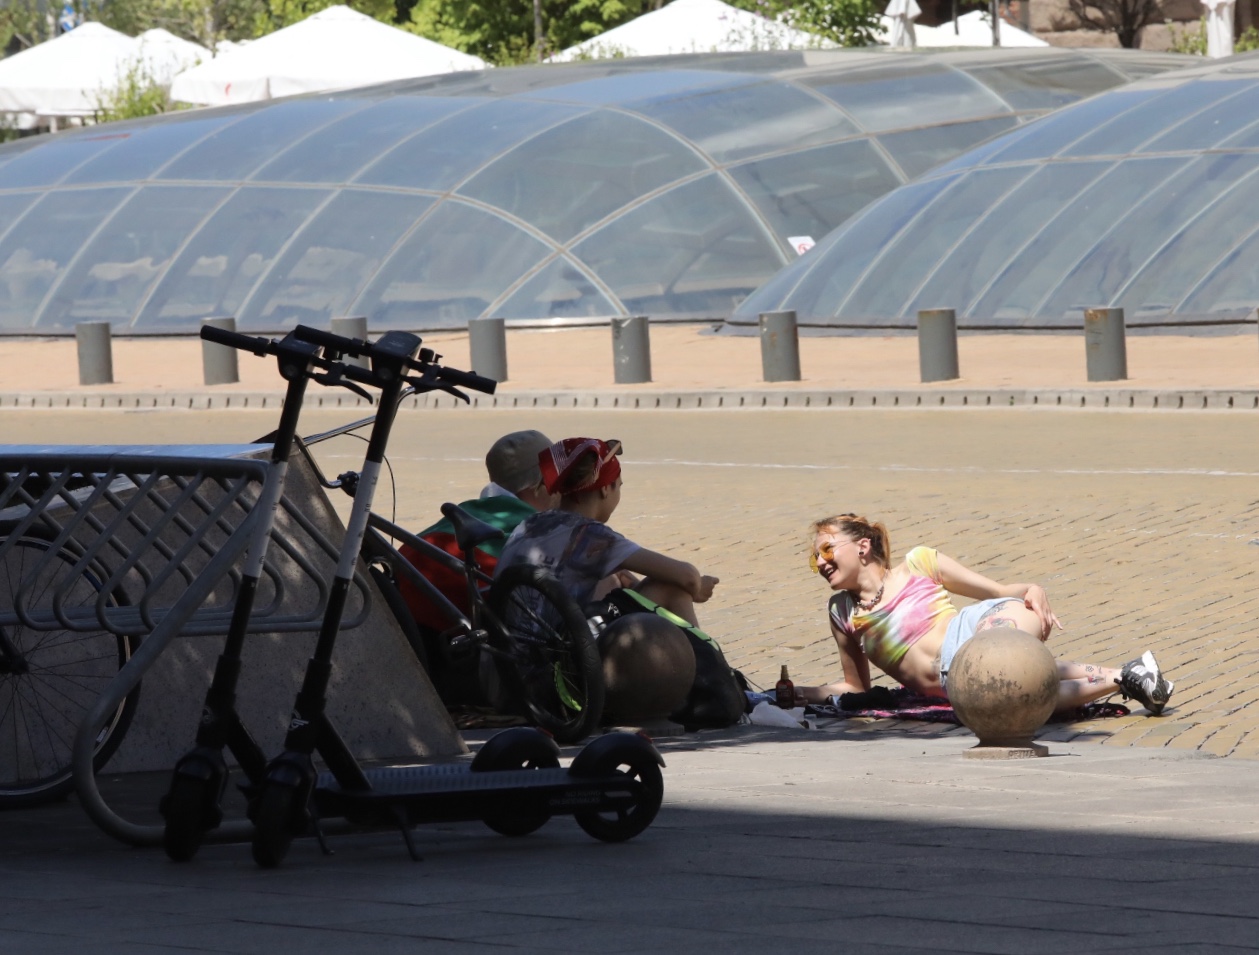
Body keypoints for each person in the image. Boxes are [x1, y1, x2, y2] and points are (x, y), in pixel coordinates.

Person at [799, 513, 1174, 716]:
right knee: (1010, 693)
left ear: (863, 546)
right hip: (960, 684)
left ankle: (1129, 676)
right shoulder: (842, 611)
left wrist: (1031, 589)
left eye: (828, 550)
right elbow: (856, 688)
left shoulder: (918, 564)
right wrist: (796, 694)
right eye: (816, 558)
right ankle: (1128, 676)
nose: (821, 562)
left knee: (997, 667)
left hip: (984, 624)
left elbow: (995, 592)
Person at [495, 437, 745, 727]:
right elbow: (685, 576)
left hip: (508, 676)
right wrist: (698, 587)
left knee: (620, 582)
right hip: (559, 681)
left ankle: (703, 680)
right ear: (605, 489)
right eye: (619, 486)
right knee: (669, 587)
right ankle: (710, 683)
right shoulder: (590, 534)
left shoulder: (531, 523)